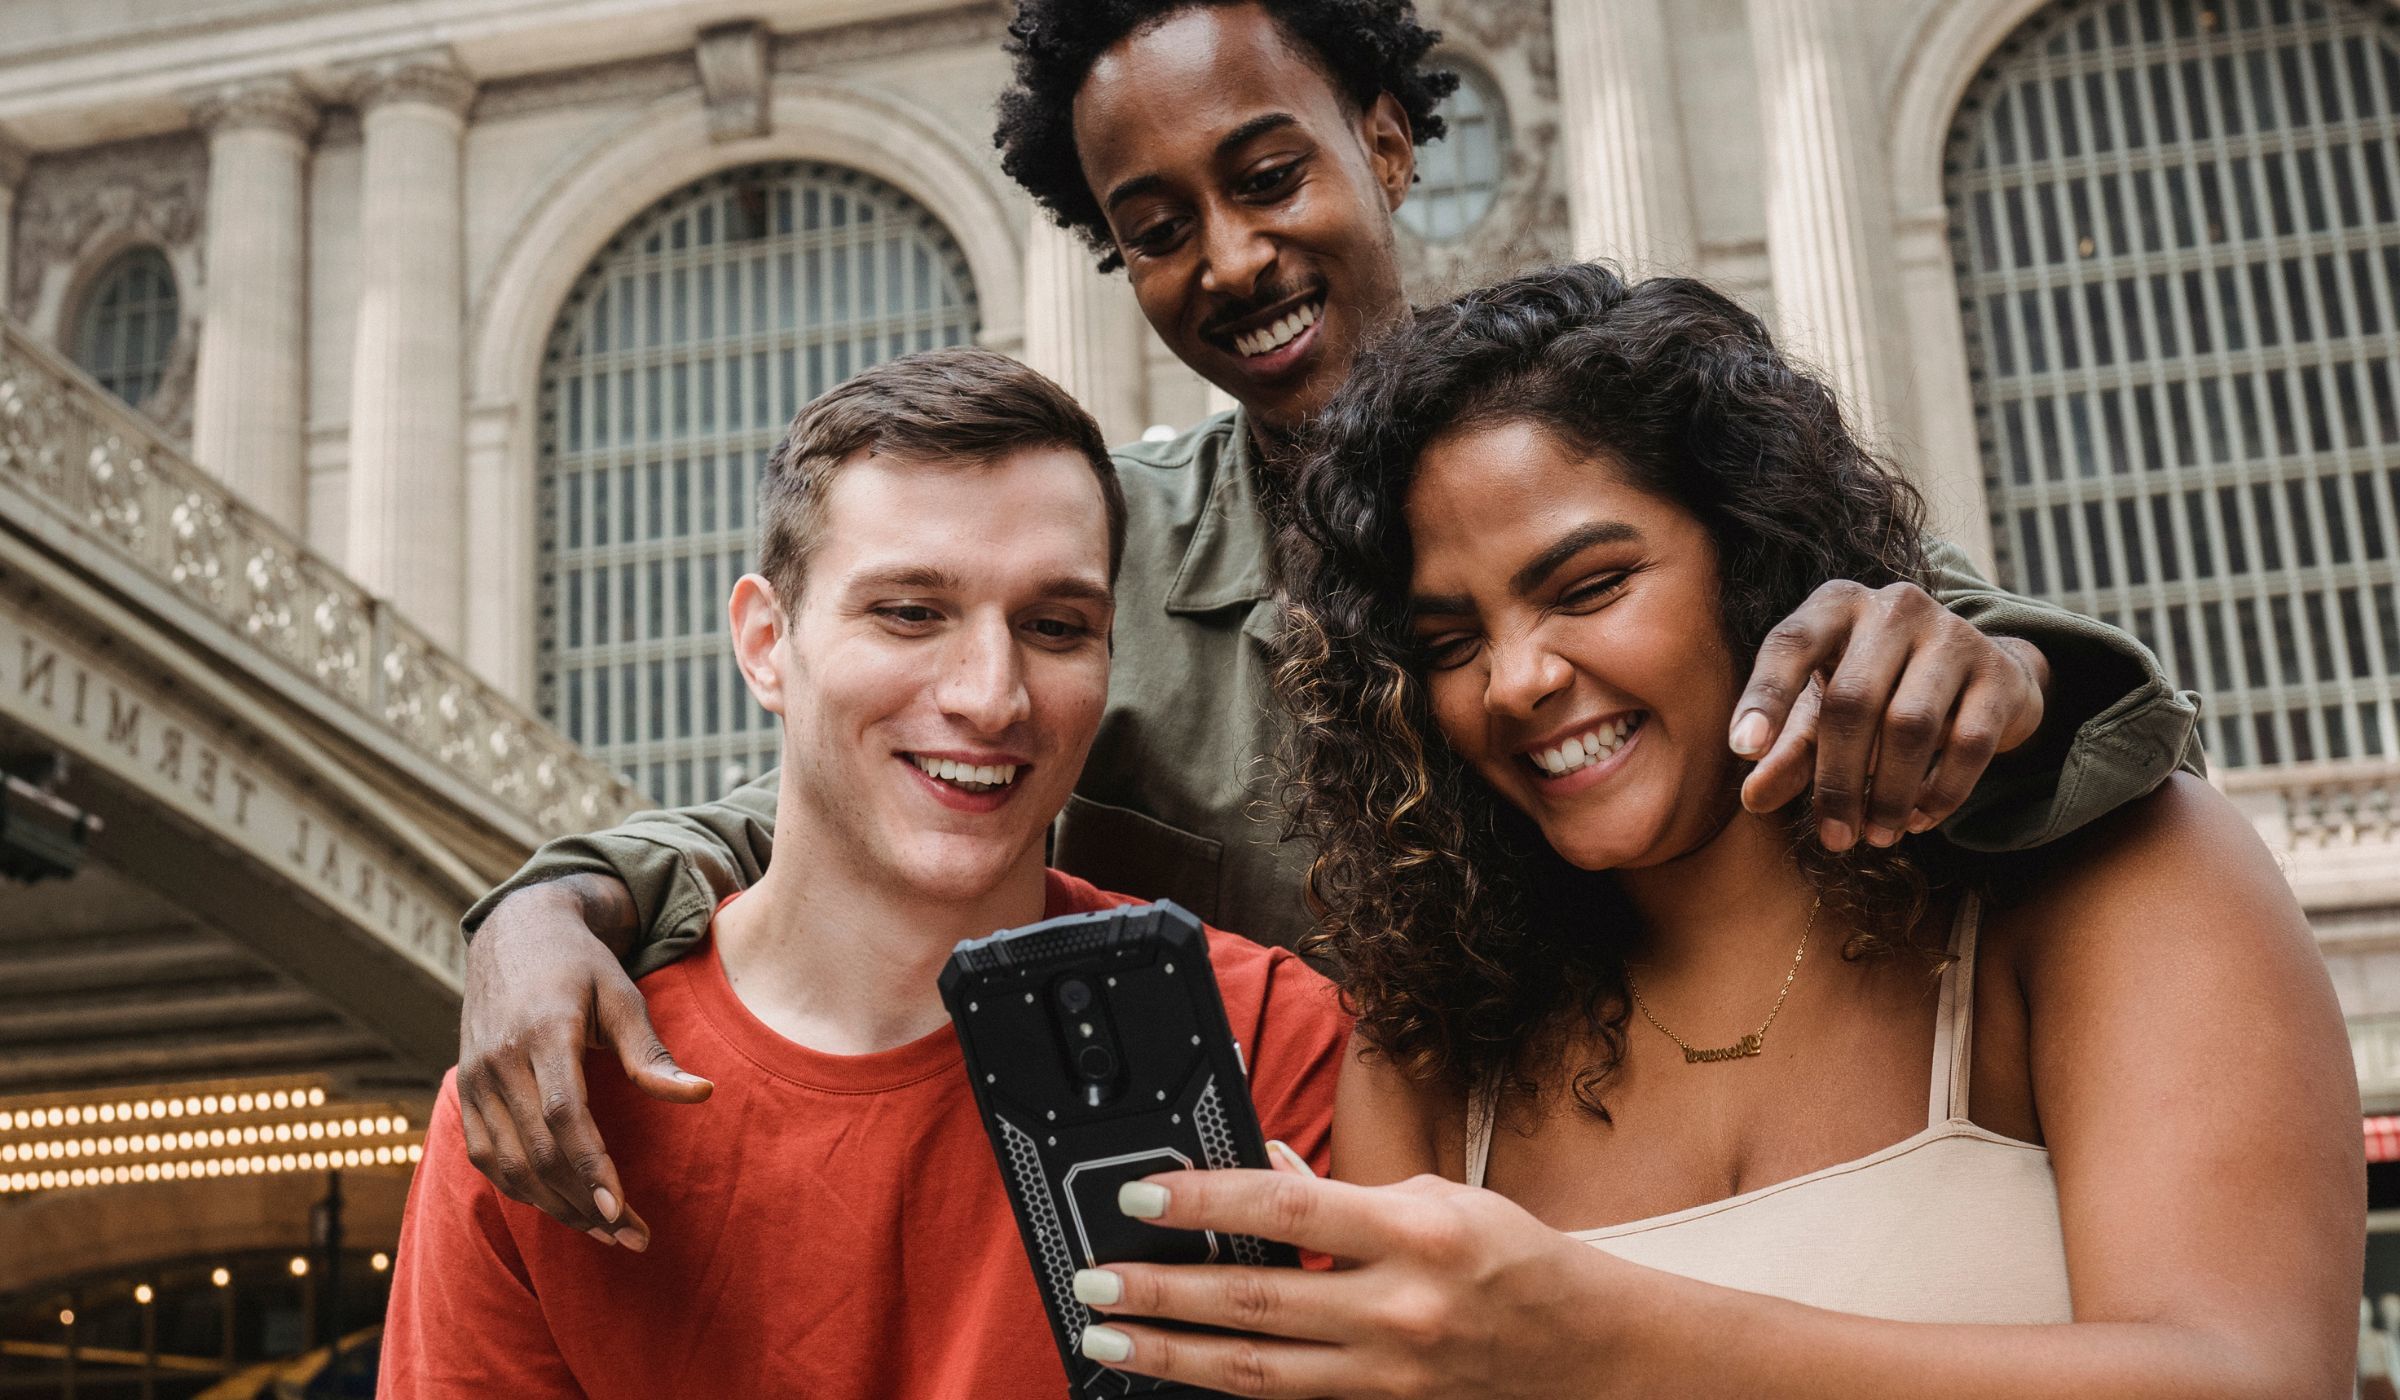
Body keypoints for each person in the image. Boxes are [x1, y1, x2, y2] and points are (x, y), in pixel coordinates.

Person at [459, 0, 2203, 1248]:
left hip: (1725, 1213)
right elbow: (844, 813)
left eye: (1267, 172)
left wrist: (1991, 680)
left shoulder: (1638, 447)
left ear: (1382, 135)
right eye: (1155, 231)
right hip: (1320, 1268)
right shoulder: (1101, 563)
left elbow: (1989, 668)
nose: (1227, 257)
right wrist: (560, 899)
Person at [1062, 264, 2361, 1399]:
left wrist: (1614, 1343)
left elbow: (2259, 1377)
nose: (1516, 680)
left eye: (1590, 586)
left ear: (1753, 557)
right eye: (1450, 643)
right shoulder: (1433, 1047)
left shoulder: (2104, 885)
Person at [378, 348, 1349, 1396]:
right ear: (764, 641)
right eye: (909, 612)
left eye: (1055, 626)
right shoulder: (550, 1102)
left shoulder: (1265, 1041)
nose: (991, 695)